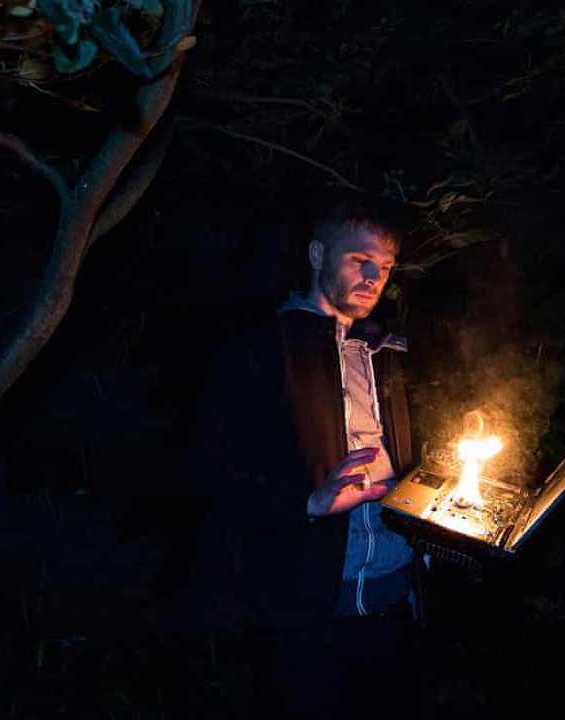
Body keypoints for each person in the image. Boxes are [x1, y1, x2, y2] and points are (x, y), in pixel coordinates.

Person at [184, 198, 419, 716]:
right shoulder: (258, 349)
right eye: (360, 259)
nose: (374, 278)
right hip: (304, 607)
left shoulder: (386, 350)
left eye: (385, 267)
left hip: (395, 596)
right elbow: (210, 474)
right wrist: (305, 503)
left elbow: (404, 459)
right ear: (317, 255)